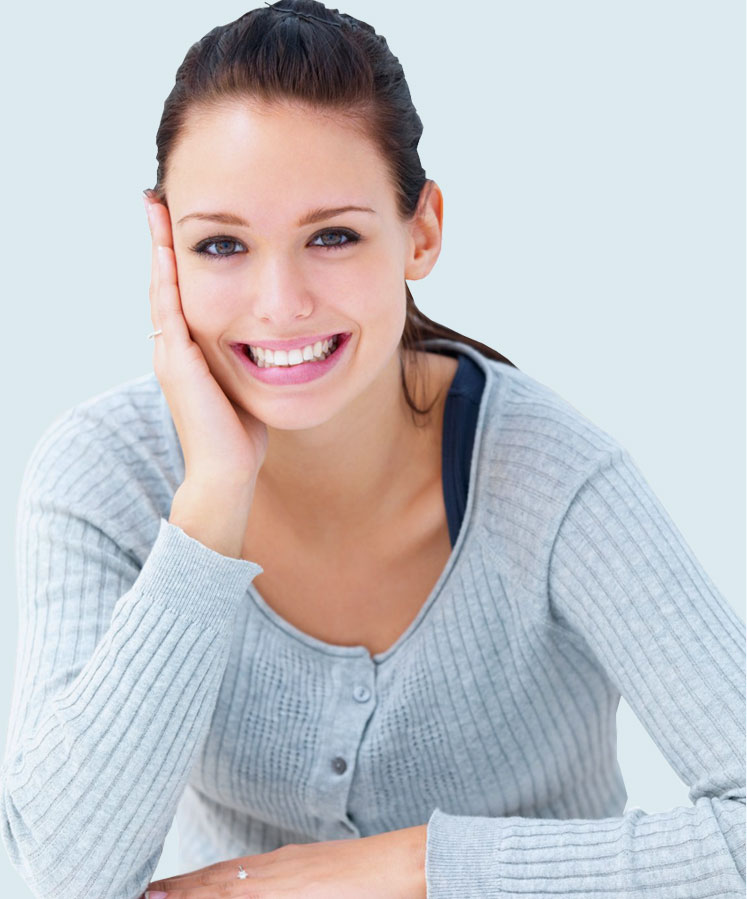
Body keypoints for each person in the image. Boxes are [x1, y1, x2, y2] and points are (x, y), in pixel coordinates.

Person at [1, 1, 744, 897]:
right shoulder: (103, 473)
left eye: (332, 235)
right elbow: (63, 878)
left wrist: (411, 865)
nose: (278, 303)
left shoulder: (551, 477)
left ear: (421, 230)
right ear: (166, 250)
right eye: (222, 243)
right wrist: (207, 512)